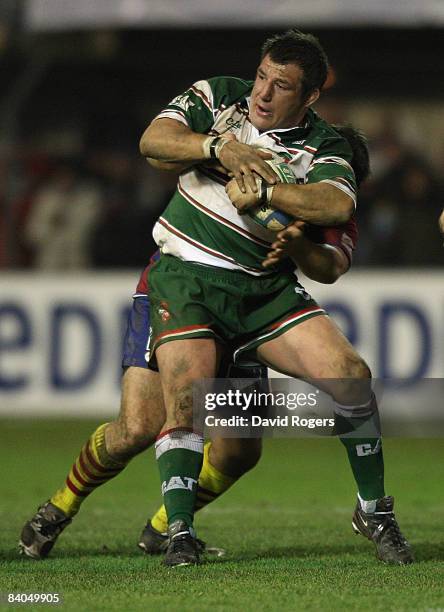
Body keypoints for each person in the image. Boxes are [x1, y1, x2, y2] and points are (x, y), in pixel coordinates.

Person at [18, 122, 368, 561]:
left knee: (238, 451)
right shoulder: (260, 154)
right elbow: (162, 149)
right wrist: (217, 149)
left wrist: (298, 241)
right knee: (136, 428)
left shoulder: (326, 209)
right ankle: (58, 509)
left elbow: (329, 264)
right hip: (181, 288)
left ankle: (165, 526)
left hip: (250, 305)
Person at [139, 29, 413, 567]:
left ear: (309, 97)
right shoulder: (220, 97)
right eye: (263, 76)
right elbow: (154, 140)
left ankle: (373, 509)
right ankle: (179, 534)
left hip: (263, 287)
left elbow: (334, 205)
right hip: (187, 274)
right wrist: (219, 147)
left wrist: (266, 190)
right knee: (186, 396)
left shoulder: (325, 145)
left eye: (281, 85)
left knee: (351, 375)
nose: (263, 93)